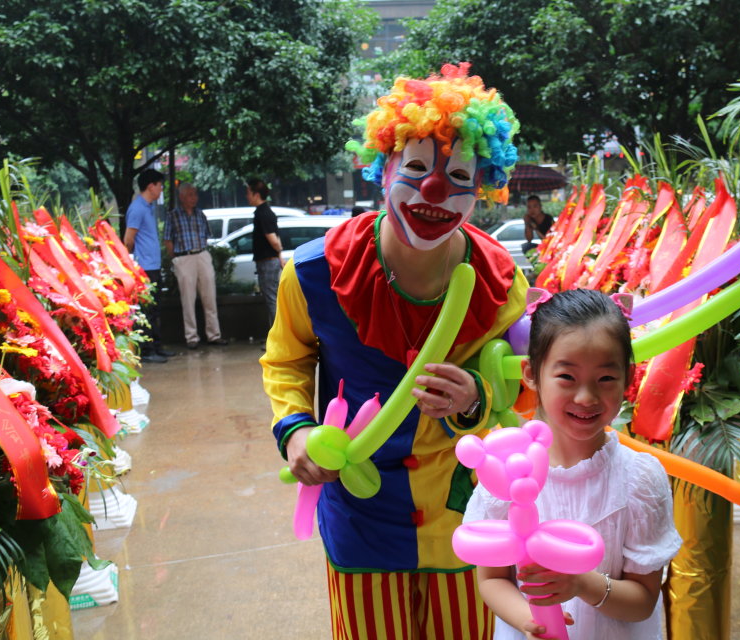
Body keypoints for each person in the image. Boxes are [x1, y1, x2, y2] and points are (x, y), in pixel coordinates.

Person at [260, 63, 527, 639]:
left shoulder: (501, 281)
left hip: (465, 511)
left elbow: (524, 384)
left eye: (459, 175)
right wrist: (297, 429)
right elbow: (285, 359)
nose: (434, 190)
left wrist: (477, 398)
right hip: (361, 510)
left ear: (481, 188)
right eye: (416, 168)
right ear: (383, 170)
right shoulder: (314, 273)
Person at [463, 289, 682, 640]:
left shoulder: (639, 479)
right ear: (531, 373)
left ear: (628, 377)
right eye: (567, 377)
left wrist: (581, 583)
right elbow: (491, 579)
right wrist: (530, 621)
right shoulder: (506, 472)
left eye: (605, 378)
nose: (586, 397)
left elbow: (643, 599)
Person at [163, 182, 228, 350]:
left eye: (195, 194)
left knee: (209, 296)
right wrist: (175, 259)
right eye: (190, 194)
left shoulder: (200, 214)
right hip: (184, 257)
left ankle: (214, 335)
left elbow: (206, 235)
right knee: (188, 299)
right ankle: (191, 337)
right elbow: (168, 240)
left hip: (202, 254)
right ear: (182, 197)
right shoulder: (173, 216)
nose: (194, 198)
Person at [124, 168, 174, 363]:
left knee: (155, 309)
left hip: (153, 266)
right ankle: (146, 350)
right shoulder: (137, 208)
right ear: (151, 186)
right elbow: (128, 239)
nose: (161, 189)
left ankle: (156, 347)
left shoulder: (148, 207)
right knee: (147, 311)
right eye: (160, 185)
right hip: (144, 267)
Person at [247, 178, 282, 325]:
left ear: (256, 195)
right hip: (269, 261)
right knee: (272, 298)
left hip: (268, 262)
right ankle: (276, 332)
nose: (247, 196)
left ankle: (277, 333)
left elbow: (273, 240)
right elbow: (276, 238)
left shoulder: (263, 213)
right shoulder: (266, 211)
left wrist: (279, 252)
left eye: (248, 193)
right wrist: (280, 256)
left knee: (271, 299)